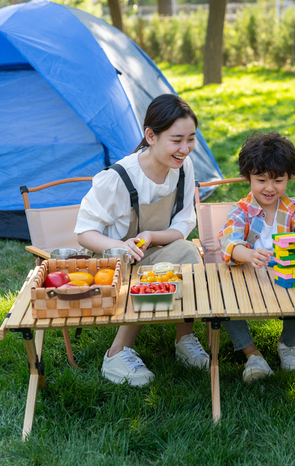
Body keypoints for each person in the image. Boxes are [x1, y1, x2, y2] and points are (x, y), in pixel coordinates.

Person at [75, 94, 208, 387]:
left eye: (191, 139)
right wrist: (122, 246)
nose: (185, 149)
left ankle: (185, 338)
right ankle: (116, 353)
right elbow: (84, 231)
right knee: (157, 267)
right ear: (151, 136)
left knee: (186, 252)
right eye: (176, 140)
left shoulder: (183, 167)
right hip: (112, 263)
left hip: (149, 253)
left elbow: (184, 224)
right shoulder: (118, 178)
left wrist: (150, 236)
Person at [218, 131, 295, 382]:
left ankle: (287, 343)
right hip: (249, 279)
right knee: (222, 303)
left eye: (278, 181)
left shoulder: (293, 209)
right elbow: (228, 242)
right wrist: (247, 254)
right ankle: (252, 354)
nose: (270, 188)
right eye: (261, 180)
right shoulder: (242, 210)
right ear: (248, 178)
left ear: (289, 178)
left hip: (286, 278)